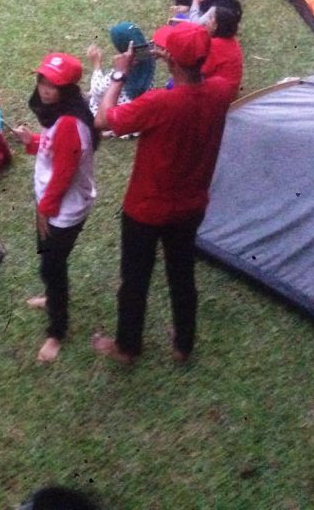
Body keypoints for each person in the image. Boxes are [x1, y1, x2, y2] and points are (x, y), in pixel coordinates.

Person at [92, 22, 235, 365]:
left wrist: (117, 75)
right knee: (182, 274)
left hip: (145, 209)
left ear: (170, 62)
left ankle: (127, 347)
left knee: (135, 279)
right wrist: (173, 57)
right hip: (191, 206)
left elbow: (103, 119)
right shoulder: (220, 91)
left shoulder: (158, 103)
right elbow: (199, 78)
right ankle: (183, 345)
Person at [12, 53, 96, 364]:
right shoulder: (60, 118)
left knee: (52, 267)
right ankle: (51, 298)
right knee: (47, 258)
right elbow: (52, 147)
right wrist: (31, 140)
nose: (45, 90)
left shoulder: (70, 125)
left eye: (53, 85)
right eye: (42, 81)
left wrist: (45, 209)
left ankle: (57, 331)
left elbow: (64, 173)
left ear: (68, 89)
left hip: (63, 209)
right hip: (51, 203)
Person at [85, 22, 155, 116]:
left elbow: (97, 89)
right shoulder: (148, 64)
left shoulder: (119, 74)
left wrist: (96, 63)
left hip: (110, 117)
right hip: (138, 112)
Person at [202, 4, 244, 93]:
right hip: (230, 90)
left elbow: (198, 71)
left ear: (216, 26)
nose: (205, 21)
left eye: (210, 18)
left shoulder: (214, 45)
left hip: (218, 95)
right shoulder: (232, 40)